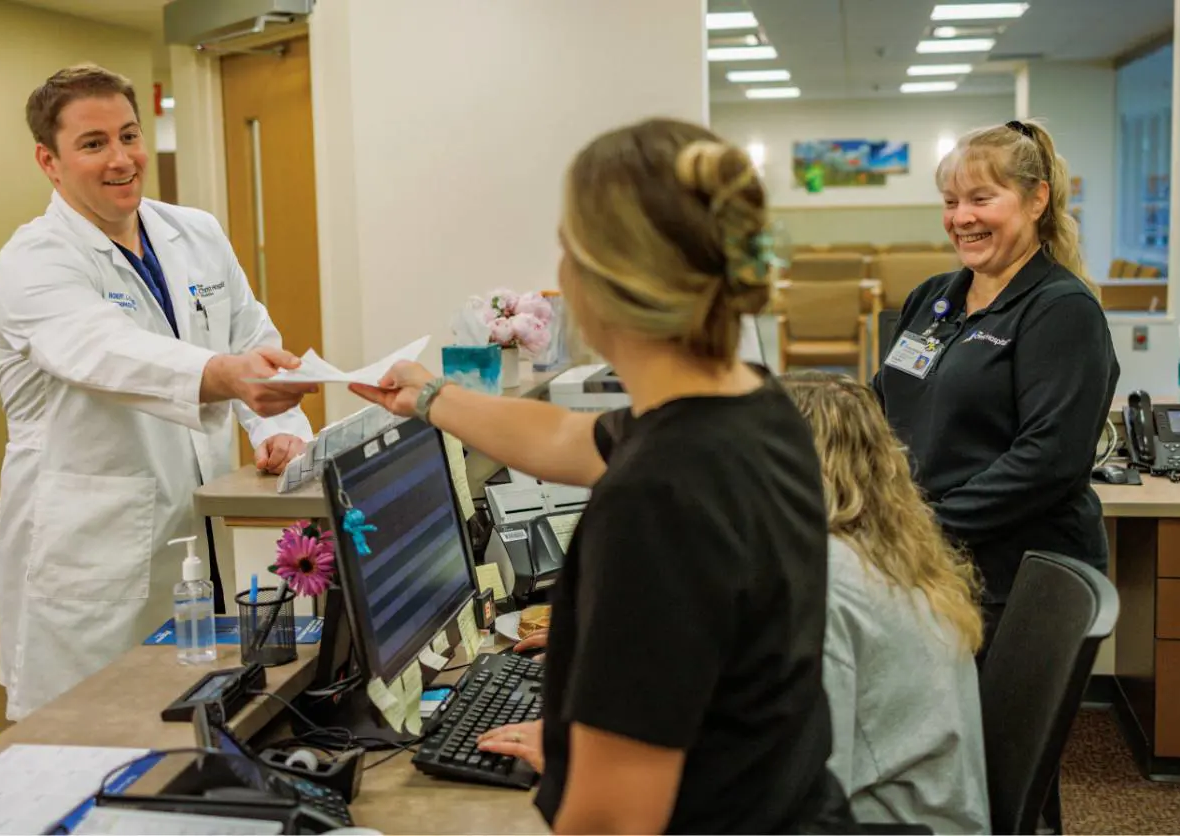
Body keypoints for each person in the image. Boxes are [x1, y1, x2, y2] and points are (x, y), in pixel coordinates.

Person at [351, 118, 852, 834]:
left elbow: (613, 823)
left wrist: (592, 772)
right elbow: (569, 435)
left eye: (567, 249)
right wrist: (431, 398)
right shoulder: (752, 406)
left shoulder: (656, 501)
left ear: (607, 279)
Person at [0, 64, 316, 721]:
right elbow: (108, 352)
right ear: (48, 162)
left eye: (129, 135)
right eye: (93, 144)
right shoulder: (33, 263)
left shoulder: (193, 231)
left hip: (199, 529)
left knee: (204, 718)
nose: (121, 159)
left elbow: (251, 335)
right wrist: (226, 376)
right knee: (86, 736)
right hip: (91, 552)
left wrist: (277, 433)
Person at [874, 118, 1119, 651]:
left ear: (1036, 200)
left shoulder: (1061, 310)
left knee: (988, 728)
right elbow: (881, 402)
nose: (962, 218)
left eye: (981, 199)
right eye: (950, 201)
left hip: (1015, 573)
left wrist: (920, 528)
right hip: (936, 556)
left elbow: (1047, 460)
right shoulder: (933, 298)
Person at [783, 370, 989, 833]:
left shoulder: (827, 580)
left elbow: (804, 783)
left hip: (884, 823)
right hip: (930, 810)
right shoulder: (894, 548)